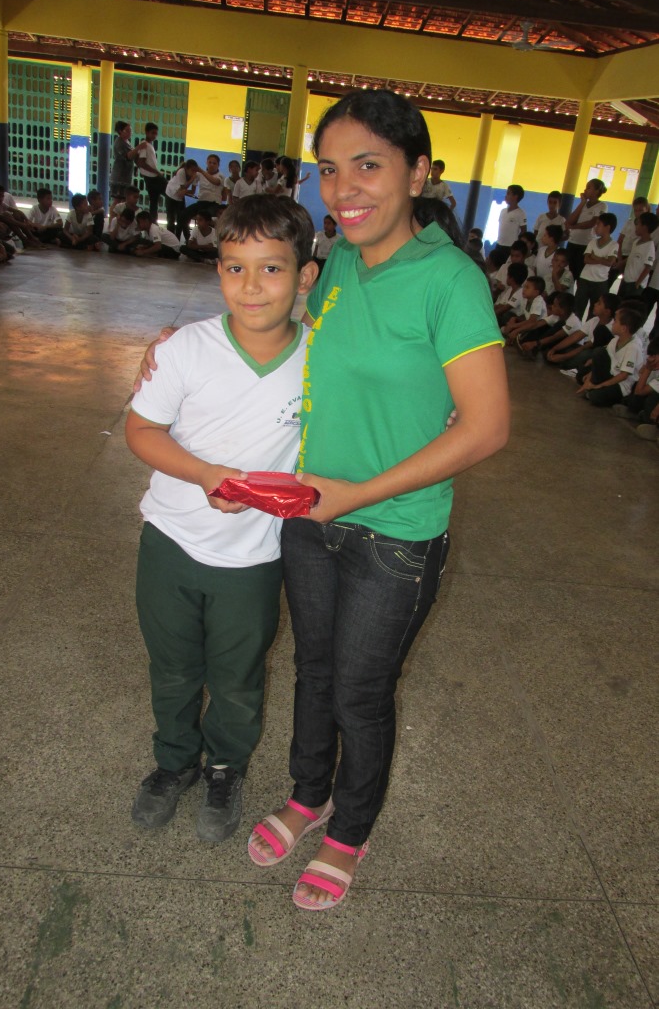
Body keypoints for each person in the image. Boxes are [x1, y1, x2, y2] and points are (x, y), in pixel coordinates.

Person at [242, 89, 509, 910]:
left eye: (368, 166)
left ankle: (350, 830)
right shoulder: (340, 265)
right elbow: (289, 347)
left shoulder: (448, 281)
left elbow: (487, 426)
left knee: (360, 690)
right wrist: (182, 348)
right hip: (308, 518)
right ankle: (306, 792)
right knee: (313, 670)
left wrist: (358, 493)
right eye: (329, 170)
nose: (344, 189)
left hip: (393, 535)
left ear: (418, 172)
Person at [126, 196, 318, 842]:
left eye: (271, 269)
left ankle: (225, 767)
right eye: (234, 268)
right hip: (171, 541)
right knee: (173, 666)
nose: (251, 286)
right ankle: (172, 763)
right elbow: (141, 428)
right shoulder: (184, 349)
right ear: (217, 271)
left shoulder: (322, 361)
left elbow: (381, 402)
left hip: (252, 559)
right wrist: (203, 474)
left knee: (236, 677)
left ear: (305, 275)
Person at [577, 304, 644, 406]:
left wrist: (599, 386)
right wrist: (590, 377)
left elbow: (623, 376)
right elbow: (601, 361)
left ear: (623, 328)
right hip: (610, 373)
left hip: (621, 384)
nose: (612, 323)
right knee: (582, 373)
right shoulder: (615, 339)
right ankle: (592, 386)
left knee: (595, 397)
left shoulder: (633, 347)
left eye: (615, 321)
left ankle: (598, 391)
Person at [574, 212, 617, 320]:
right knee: (577, 308)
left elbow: (610, 262)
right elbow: (586, 259)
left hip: (600, 281)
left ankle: (589, 333)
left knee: (595, 312)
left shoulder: (614, 245)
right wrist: (602, 259)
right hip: (585, 278)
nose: (596, 227)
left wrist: (596, 257)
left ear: (607, 227)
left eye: (598, 224)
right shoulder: (592, 242)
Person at [565, 178, 608, 280]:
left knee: (580, 273)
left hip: (586, 244)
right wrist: (582, 203)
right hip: (572, 242)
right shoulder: (583, 205)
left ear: (597, 191)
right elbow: (570, 221)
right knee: (568, 273)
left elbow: (592, 222)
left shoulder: (602, 206)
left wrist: (573, 227)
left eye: (589, 188)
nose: (585, 190)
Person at [617, 212, 657, 300]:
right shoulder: (636, 242)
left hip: (634, 284)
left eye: (638, 224)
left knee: (628, 307)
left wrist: (637, 283)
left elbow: (648, 267)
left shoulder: (649, 246)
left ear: (645, 227)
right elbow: (631, 257)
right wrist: (620, 263)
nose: (636, 226)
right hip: (626, 280)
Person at [611, 196, 650, 285]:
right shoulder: (629, 222)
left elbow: (639, 248)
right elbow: (620, 241)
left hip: (632, 257)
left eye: (641, 210)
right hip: (621, 255)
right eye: (635, 210)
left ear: (647, 209)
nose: (638, 213)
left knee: (625, 283)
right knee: (610, 277)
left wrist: (623, 262)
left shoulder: (646, 227)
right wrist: (619, 258)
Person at [135, 122, 167, 222]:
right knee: (170, 195)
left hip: (151, 177)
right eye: (152, 133)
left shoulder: (148, 144)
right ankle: (155, 222)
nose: (154, 136)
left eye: (156, 134)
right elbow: (141, 162)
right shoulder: (144, 144)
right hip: (153, 177)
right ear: (147, 132)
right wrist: (156, 172)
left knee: (154, 202)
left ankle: (153, 222)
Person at [493, 185, 527, 265]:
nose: (506, 196)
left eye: (508, 193)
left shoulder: (521, 213)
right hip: (499, 243)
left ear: (515, 196)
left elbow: (523, 231)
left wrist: (517, 246)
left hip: (510, 246)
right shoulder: (503, 211)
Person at [164, 159, 199, 236]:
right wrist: (192, 179)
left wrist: (183, 192)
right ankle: (171, 238)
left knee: (182, 218)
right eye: (192, 170)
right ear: (186, 168)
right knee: (171, 219)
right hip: (171, 193)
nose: (194, 173)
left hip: (180, 196)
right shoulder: (181, 172)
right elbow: (184, 187)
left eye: (195, 171)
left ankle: (183, 238)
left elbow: (192, 191)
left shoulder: (196, 175)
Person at [110, 120, 140, 203]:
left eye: (131, 130)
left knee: (123, 200)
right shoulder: (119, 142)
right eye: (128, 130)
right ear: (120, 131)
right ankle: (113, 216)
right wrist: (139, 147)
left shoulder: (127, 142)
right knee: (117, 201)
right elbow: (128, 156)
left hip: (126, 177)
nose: (130, 132)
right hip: (119, 177)